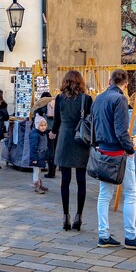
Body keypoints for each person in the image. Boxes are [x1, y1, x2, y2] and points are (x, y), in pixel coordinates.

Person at [93, 69, 136, 250]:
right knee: (131, 194)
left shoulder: (98, 99)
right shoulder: (120, 99)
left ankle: (103, 235)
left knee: (104, 195)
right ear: (125, 84)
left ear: (110, 80)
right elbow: (121, 130)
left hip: (102, 151)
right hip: (119, 153)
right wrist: (130, 149)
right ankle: (130, 235)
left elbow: (93, 124)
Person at [53, 70, 92, 231]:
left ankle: (65, 215)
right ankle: (79, 216)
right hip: (81, 139)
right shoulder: (86, 99)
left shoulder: (60, 99)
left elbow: (56, 121)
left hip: (64, 139)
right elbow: (90, 120)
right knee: (81, 180)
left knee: (65, 181)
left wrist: (53, 132)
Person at [29, 110, 50, 194]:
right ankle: (36, 185)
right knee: (36, 171)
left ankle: (40, 184)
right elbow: (33, 147)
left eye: (44, 125)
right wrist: (34, 158)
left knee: (40, 171)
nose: (43, 127)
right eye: (41, 125)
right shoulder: (35, 135)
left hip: (41, 156)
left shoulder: (43, 134)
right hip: (37, 156)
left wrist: (45, 157)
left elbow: (45, 146)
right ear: (37, 125)